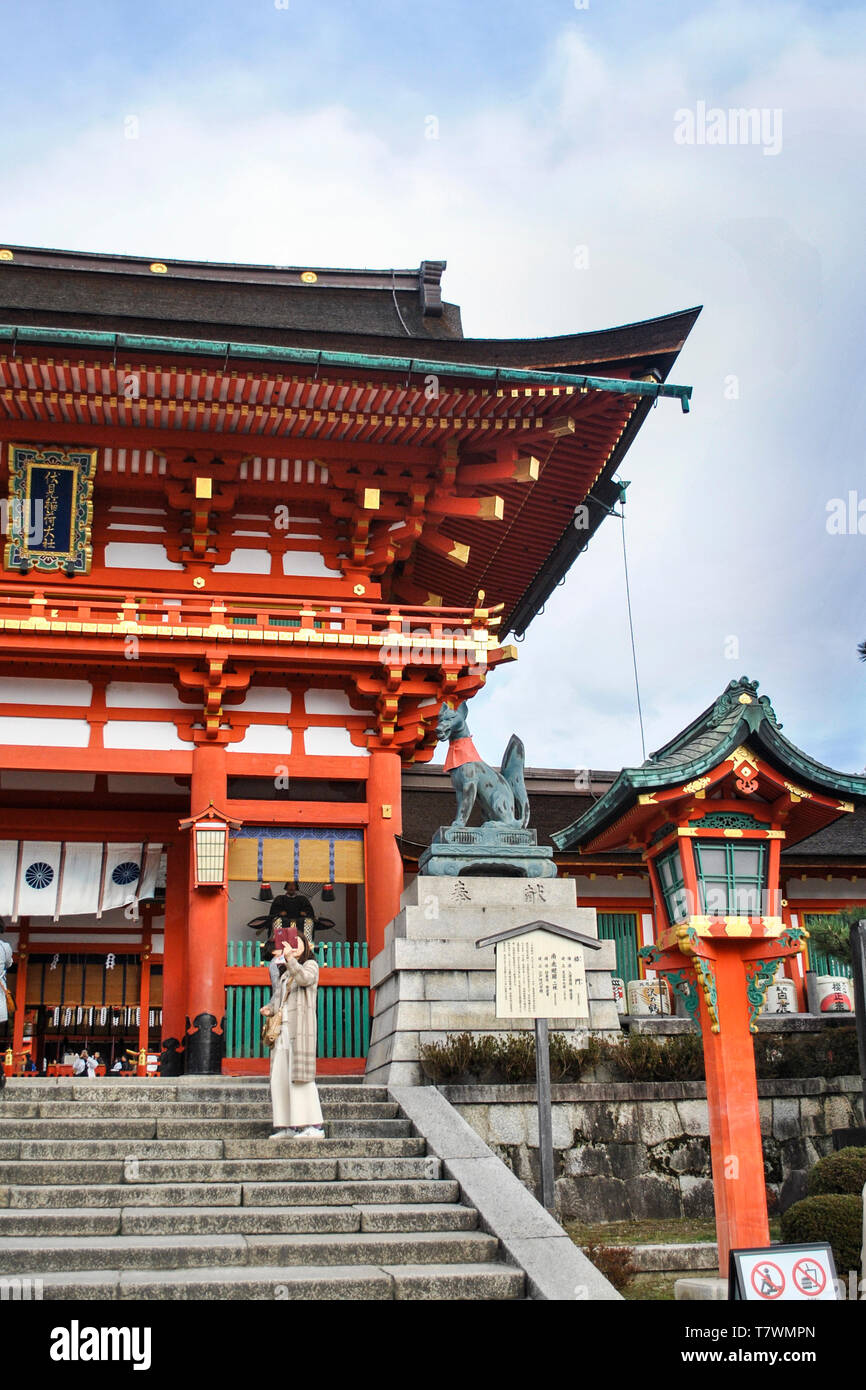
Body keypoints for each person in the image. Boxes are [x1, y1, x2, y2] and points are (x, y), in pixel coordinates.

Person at [260, 936, 324, 1139]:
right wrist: (269, 1010)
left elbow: (305, 979)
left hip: (300, 1030)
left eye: (298, 944)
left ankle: (314, 1126)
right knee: (281, 1077)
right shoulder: (285, 973)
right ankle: (287, 1125)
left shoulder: (311, 965)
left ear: (306, 947)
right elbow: (279, 998)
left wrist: (291, 959)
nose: (294, 947)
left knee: (301, 1078)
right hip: (282, 1031)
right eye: (291, 944)